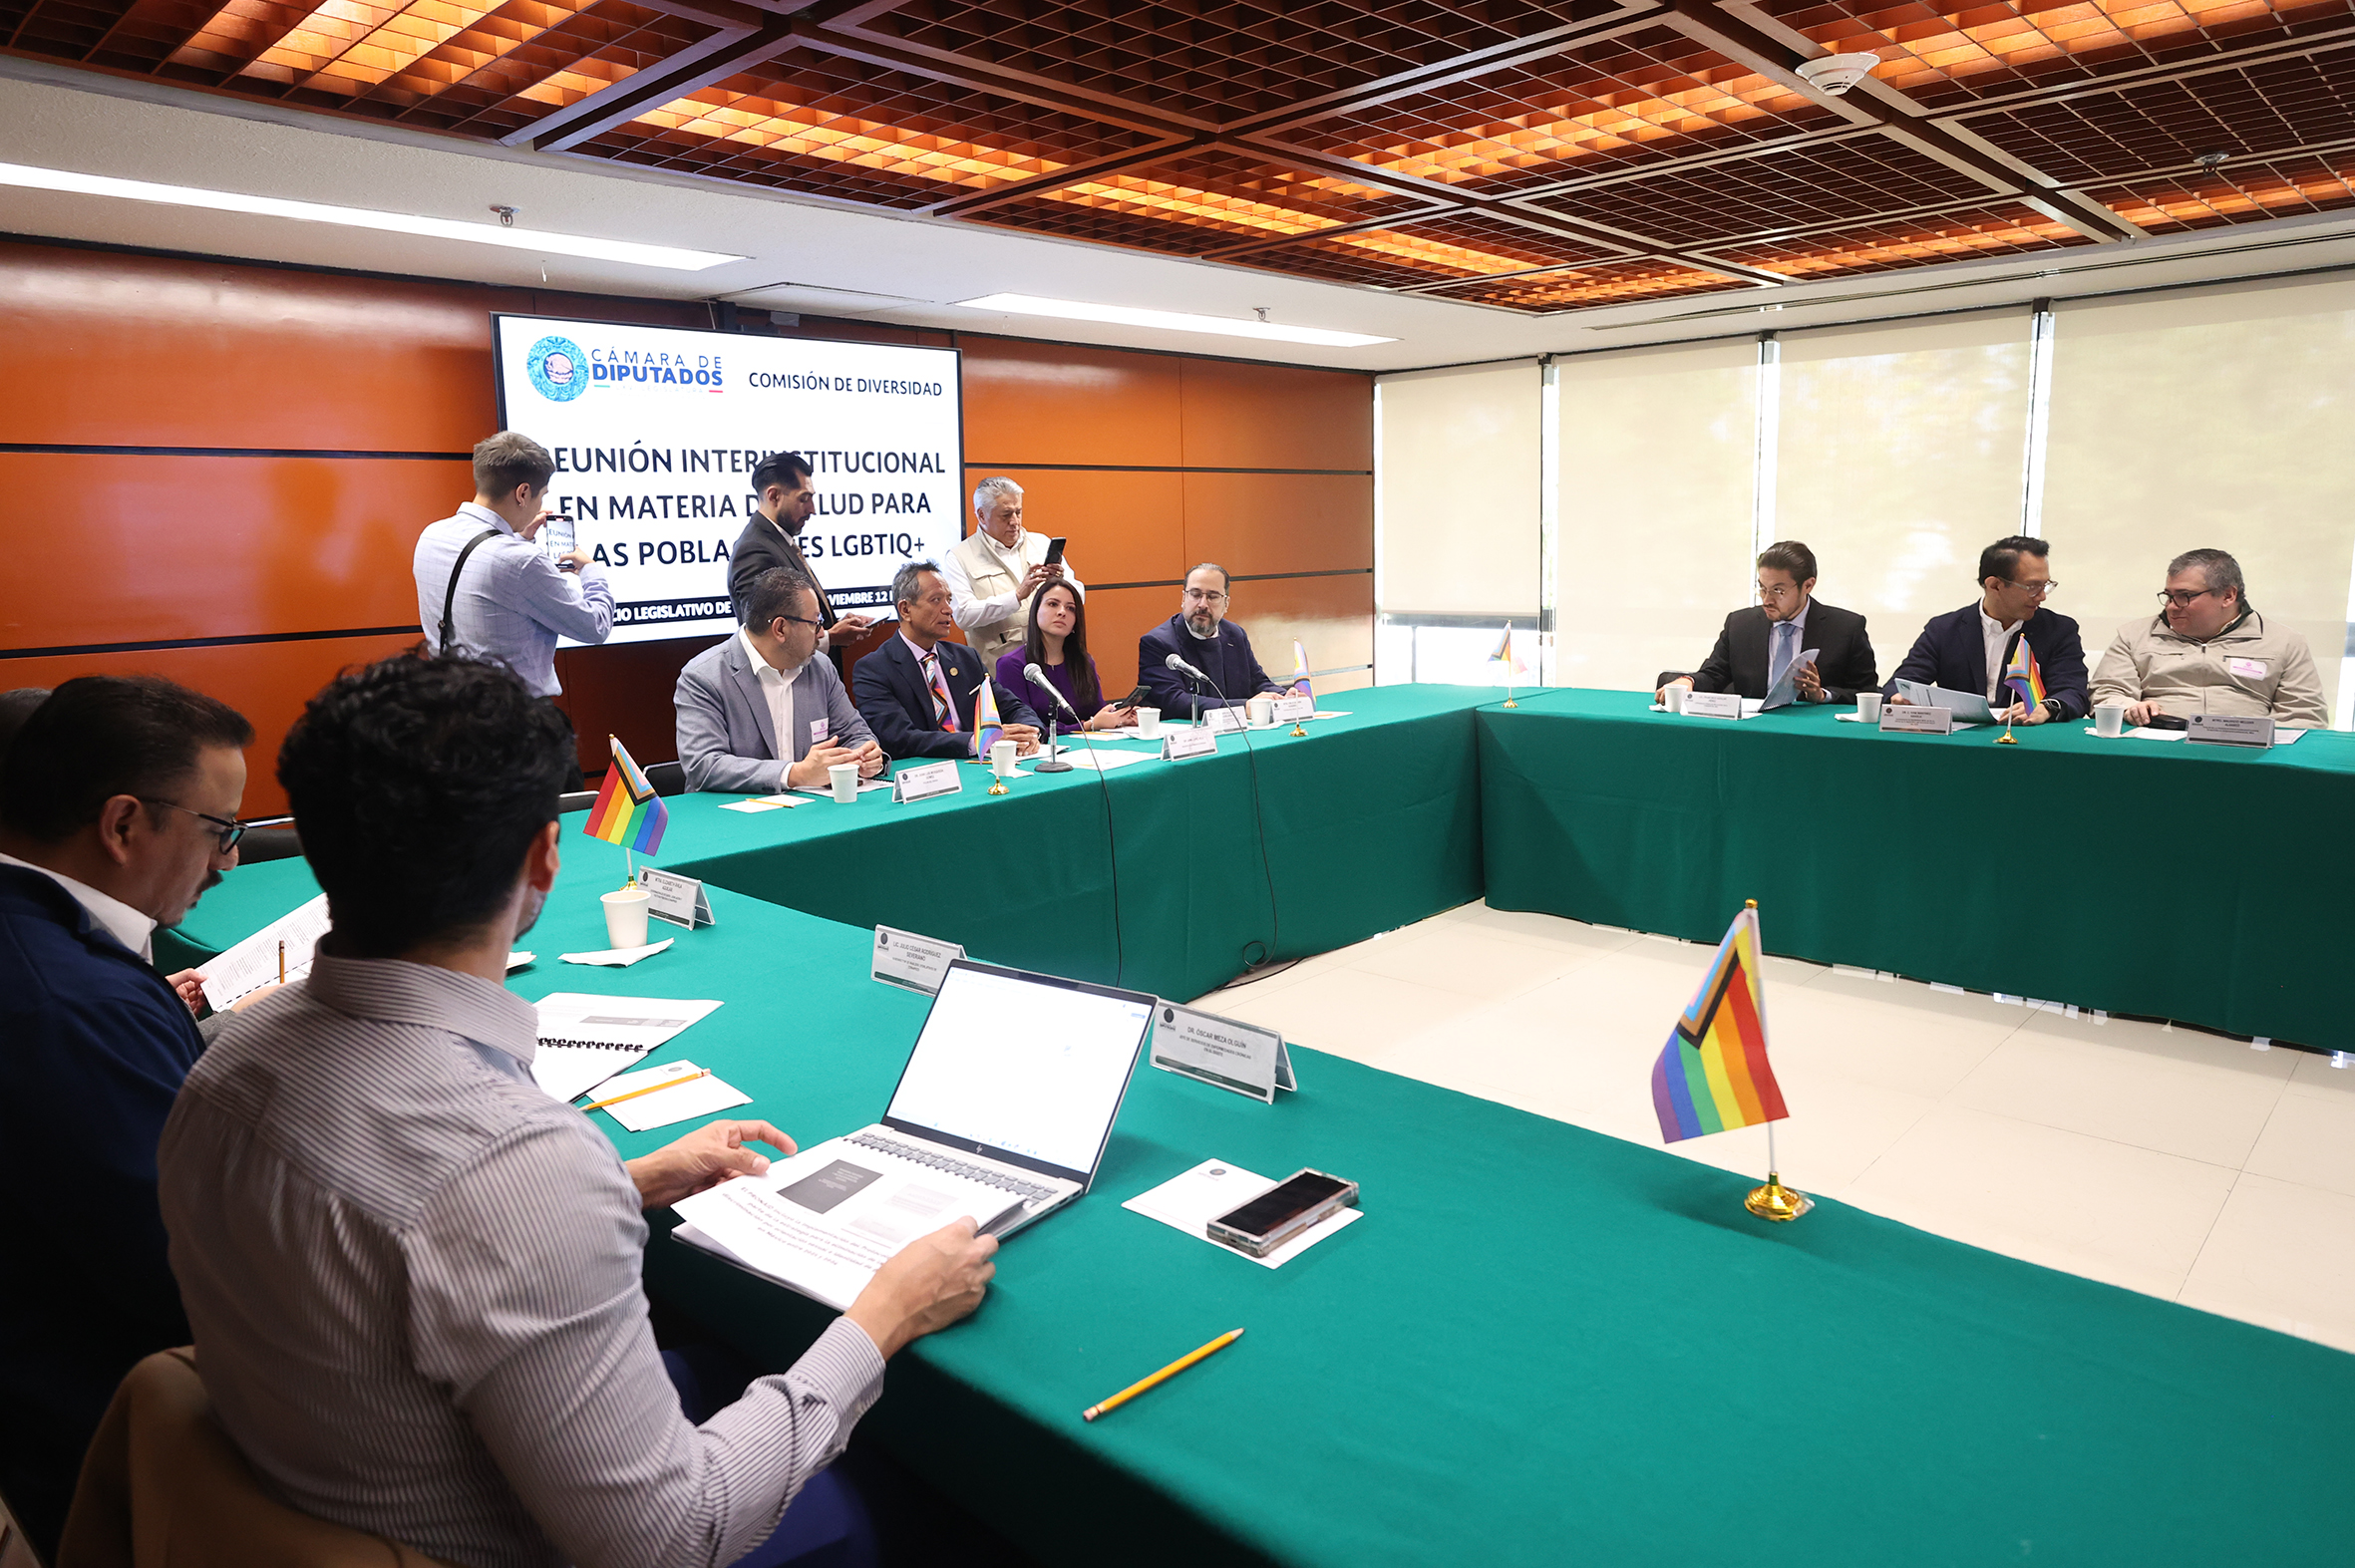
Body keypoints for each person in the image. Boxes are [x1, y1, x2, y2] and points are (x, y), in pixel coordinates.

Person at [160, 652, 999, 1568]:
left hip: (336, 1472)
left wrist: (626, 1178)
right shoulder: (516, 1164)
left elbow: (412, 1237)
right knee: (950, 1495)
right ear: (544, 857)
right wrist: (883, 1315)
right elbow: (678, 1537)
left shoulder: (223, 1059)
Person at [0, 675, 251, 1563]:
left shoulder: (53, 952)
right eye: (220, 830)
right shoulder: (70, 1006)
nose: (227, 864)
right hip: (123, 1449)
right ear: (122, 825)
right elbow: (203, 1275)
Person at [414, 431, 614, 701]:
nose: (540, 504)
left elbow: (488, 584)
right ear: (523, 493)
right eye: (541, 495)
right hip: (515, 715)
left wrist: (519, 537)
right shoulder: (522, 561)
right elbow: (595, 626)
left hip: (451, 705)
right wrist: (591, 570)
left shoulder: (431, 536)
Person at [676, 566, 886, 793]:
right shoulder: (704, 677)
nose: (821, 633)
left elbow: (855, 733)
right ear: (780, 628)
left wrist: (864, 755)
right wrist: (795, 774)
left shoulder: (820, 668)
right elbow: (704, 765)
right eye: (815, 623)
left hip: (813, 807)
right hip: (731, 811)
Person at [2089, 548, 2329, 728]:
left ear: (2228, 596)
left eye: (2184, 596)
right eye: (2168, 595)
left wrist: (2260, 742)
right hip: (2155, 744)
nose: (2171, 606)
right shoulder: (2133, 636)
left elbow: (2303, 715)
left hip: (2247, 755)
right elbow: (2107, 693)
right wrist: (2130, 707)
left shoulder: (2284, 642)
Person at [1885, 535, 2089, 724]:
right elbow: (1901, 682)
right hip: (1960, 739)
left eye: (2045, 585)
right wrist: (1900, 698)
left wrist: (2047, 708)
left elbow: (2073, 691)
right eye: (2032, 587)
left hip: (2026, 736)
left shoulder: (2058, 630)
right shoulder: (1944, 629)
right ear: (1995, 585)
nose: (2042, 596)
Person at [853, 562, 1043, 761]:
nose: (948, 610)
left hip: (976, 766)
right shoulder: (874, 669)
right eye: (936, 600)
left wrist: (1029, 732)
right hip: (924, 771)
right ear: (905, 609)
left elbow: (1012, 707)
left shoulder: (965, 658)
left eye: (949, 600)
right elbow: (899, 738)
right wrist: (978, 741)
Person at [1656, 541, 1877, 707]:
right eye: (1762, 588)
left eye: (1778, 590)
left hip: (1815, 737)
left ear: (1808, 585)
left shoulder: (1846, 628)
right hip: (1752, 732)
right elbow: (1715, 674)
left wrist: (1822, 695)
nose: (1766, 600)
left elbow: (1867, 692)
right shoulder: (1740, 624)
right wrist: (1688, 681)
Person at [727, 452, 874, 675]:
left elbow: (794, 616)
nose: (812, 509)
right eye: (804, 499)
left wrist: (833, 626)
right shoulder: (754, 550)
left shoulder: (777, 542)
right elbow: (765, 637)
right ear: (774, 496)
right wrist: (831, 637)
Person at [941, 477, 1082, 664]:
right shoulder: (959, 556)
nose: (1015, 521)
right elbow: (963, 615)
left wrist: (1060, 585)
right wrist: (1016, 597)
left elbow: (1079, 596)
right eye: (1006, 515)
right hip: (998, 668)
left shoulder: (1041, 544)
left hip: (1051, 661)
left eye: (1018, 512)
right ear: (982, 515)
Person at [1138, 563, 1282, 721]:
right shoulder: (1158, 642)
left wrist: (1286, 696)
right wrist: (1243, 707)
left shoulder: (1235, 635)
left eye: (1212, 597)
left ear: (1226, 604)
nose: (1202, 604)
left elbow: (1258, 682)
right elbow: (1173, 700)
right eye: (1195, 594)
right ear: (1183, 599)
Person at [994, 579, 1136, 732]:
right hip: (1039, 746)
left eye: (1070, 608)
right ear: (1035, 611)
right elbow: (1024, 729)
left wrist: (1121, 715)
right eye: (1053, 604)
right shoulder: (1011, 665)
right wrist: (1087, 725)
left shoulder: (1084, 661)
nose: (1062, 612)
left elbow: (1098, 713)